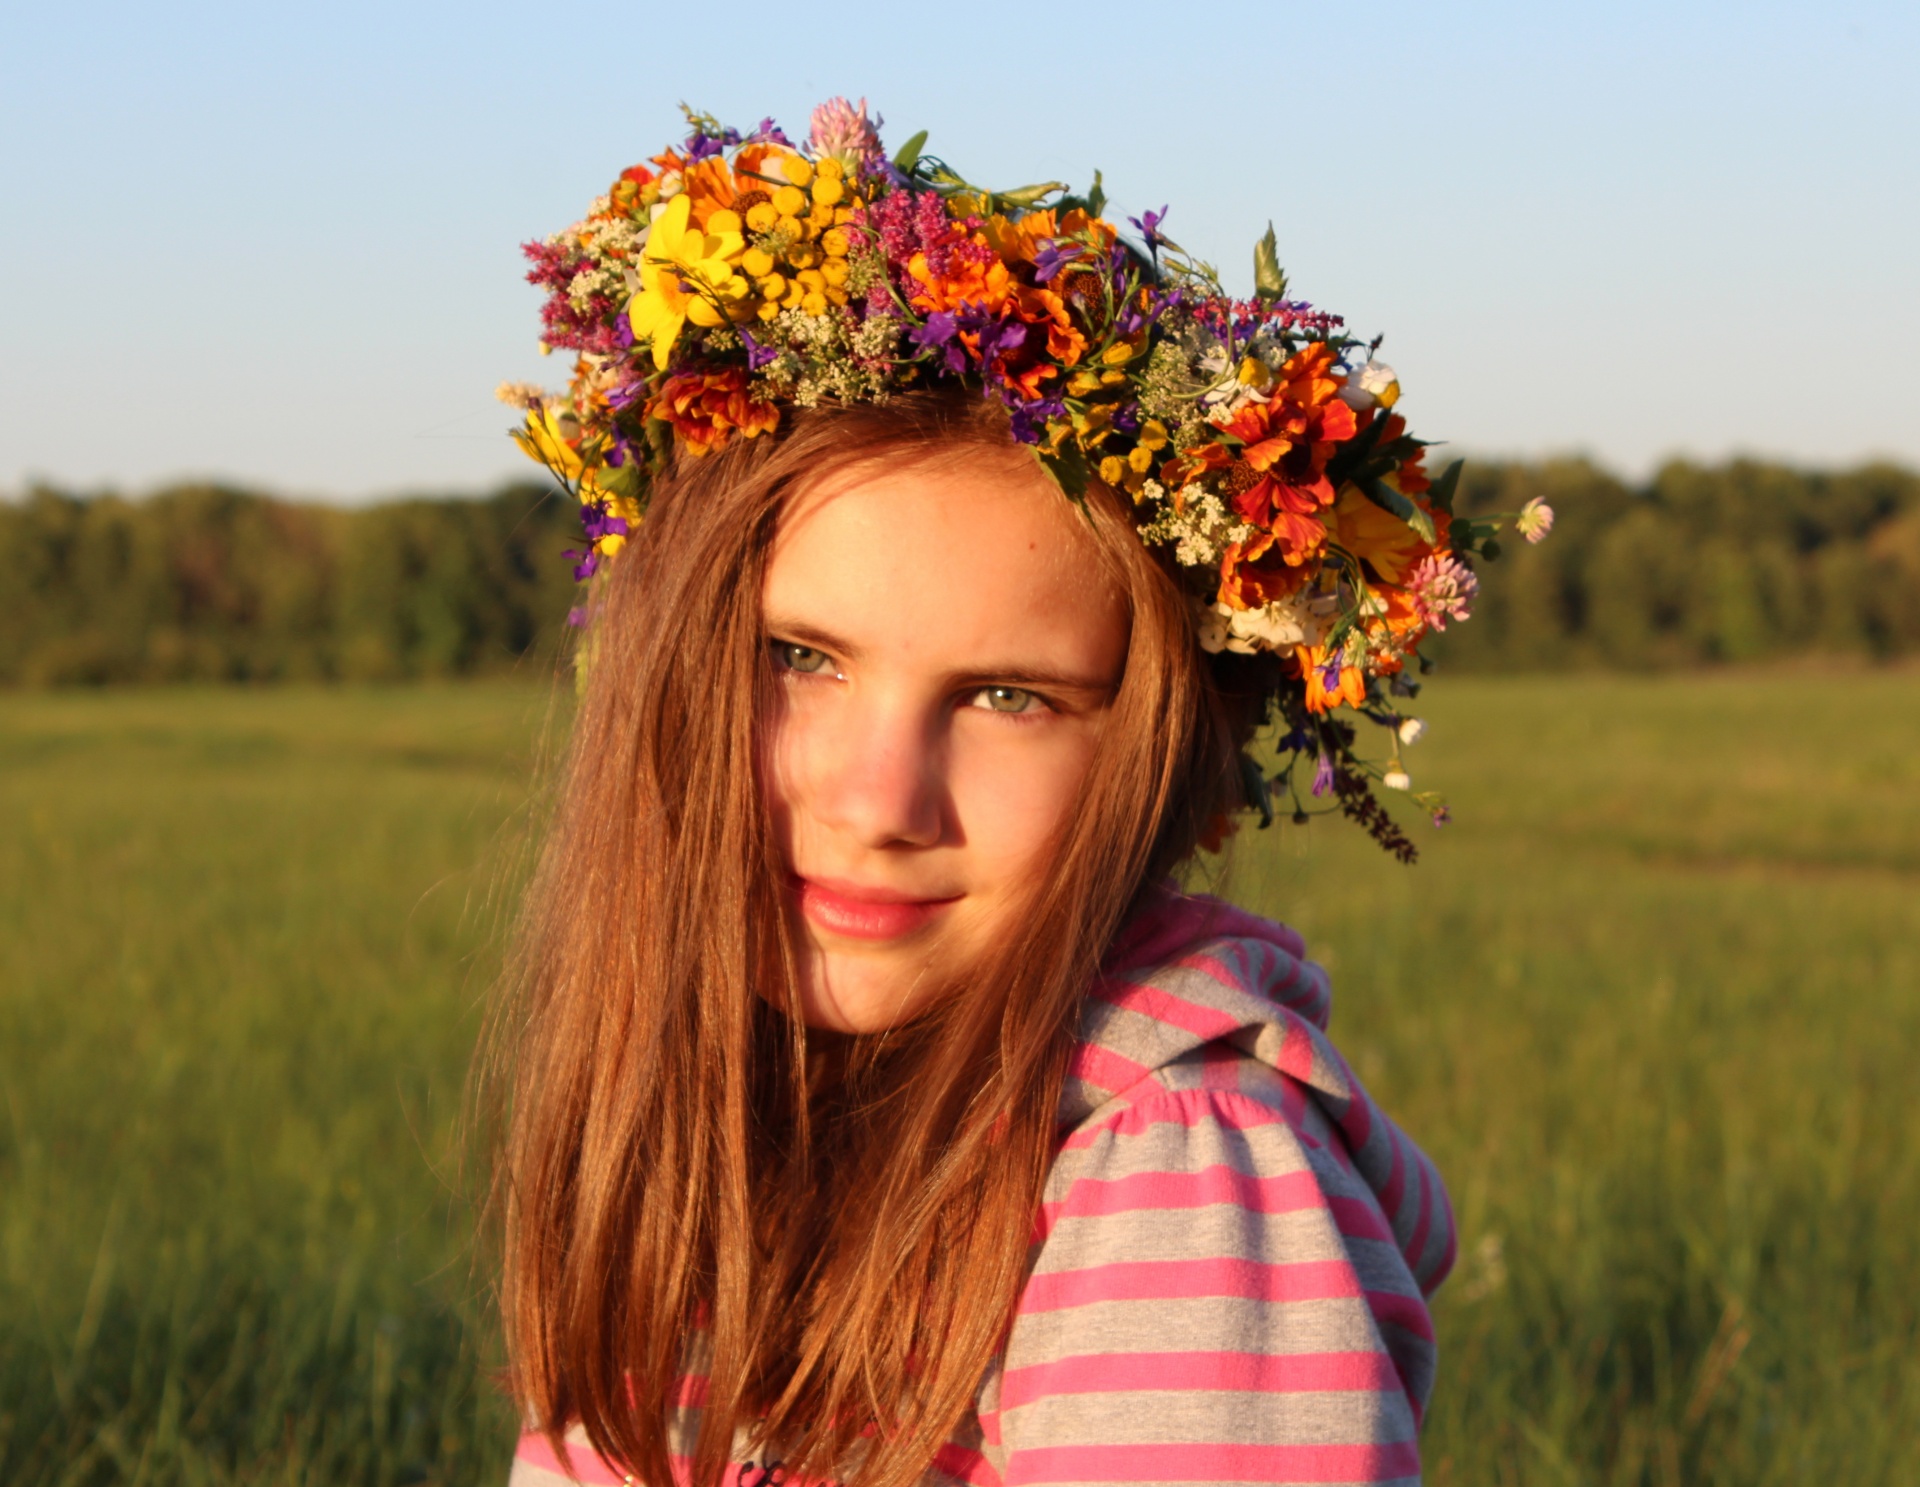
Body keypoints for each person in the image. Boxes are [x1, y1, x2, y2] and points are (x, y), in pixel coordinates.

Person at [490, 98, 1535, 1487]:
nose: (881, 799)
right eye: (800, 659)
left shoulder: (1170, 1185)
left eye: (1007, 698)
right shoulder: (722, 1109)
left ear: (1148, 754)